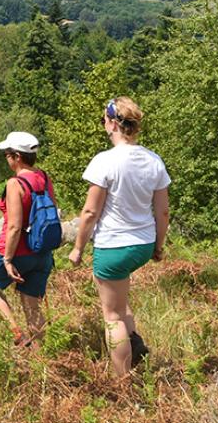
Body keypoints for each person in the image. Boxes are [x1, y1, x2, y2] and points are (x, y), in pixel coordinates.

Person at [66, 97, 171, 377]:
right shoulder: (154, 160)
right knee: (120, 301)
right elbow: (163, 212)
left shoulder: (105, 161)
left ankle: (122, 382)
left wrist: (78, 249)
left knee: (112, 317)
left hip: (114, 246)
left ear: (112, 123)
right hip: (143, 244)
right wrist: (158, 246)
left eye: (104, 119)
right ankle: (136, 347)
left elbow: (90, 212)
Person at [0, 132, 56, 348]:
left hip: (16, 250)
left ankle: (17, 334)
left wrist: (7, 260)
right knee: (32, 306)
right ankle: (41, 356)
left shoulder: (15, 183)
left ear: (17, 157)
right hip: (41, 251)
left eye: (7, 154)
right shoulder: (44, 178)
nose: (6, 158)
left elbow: (14, 226)